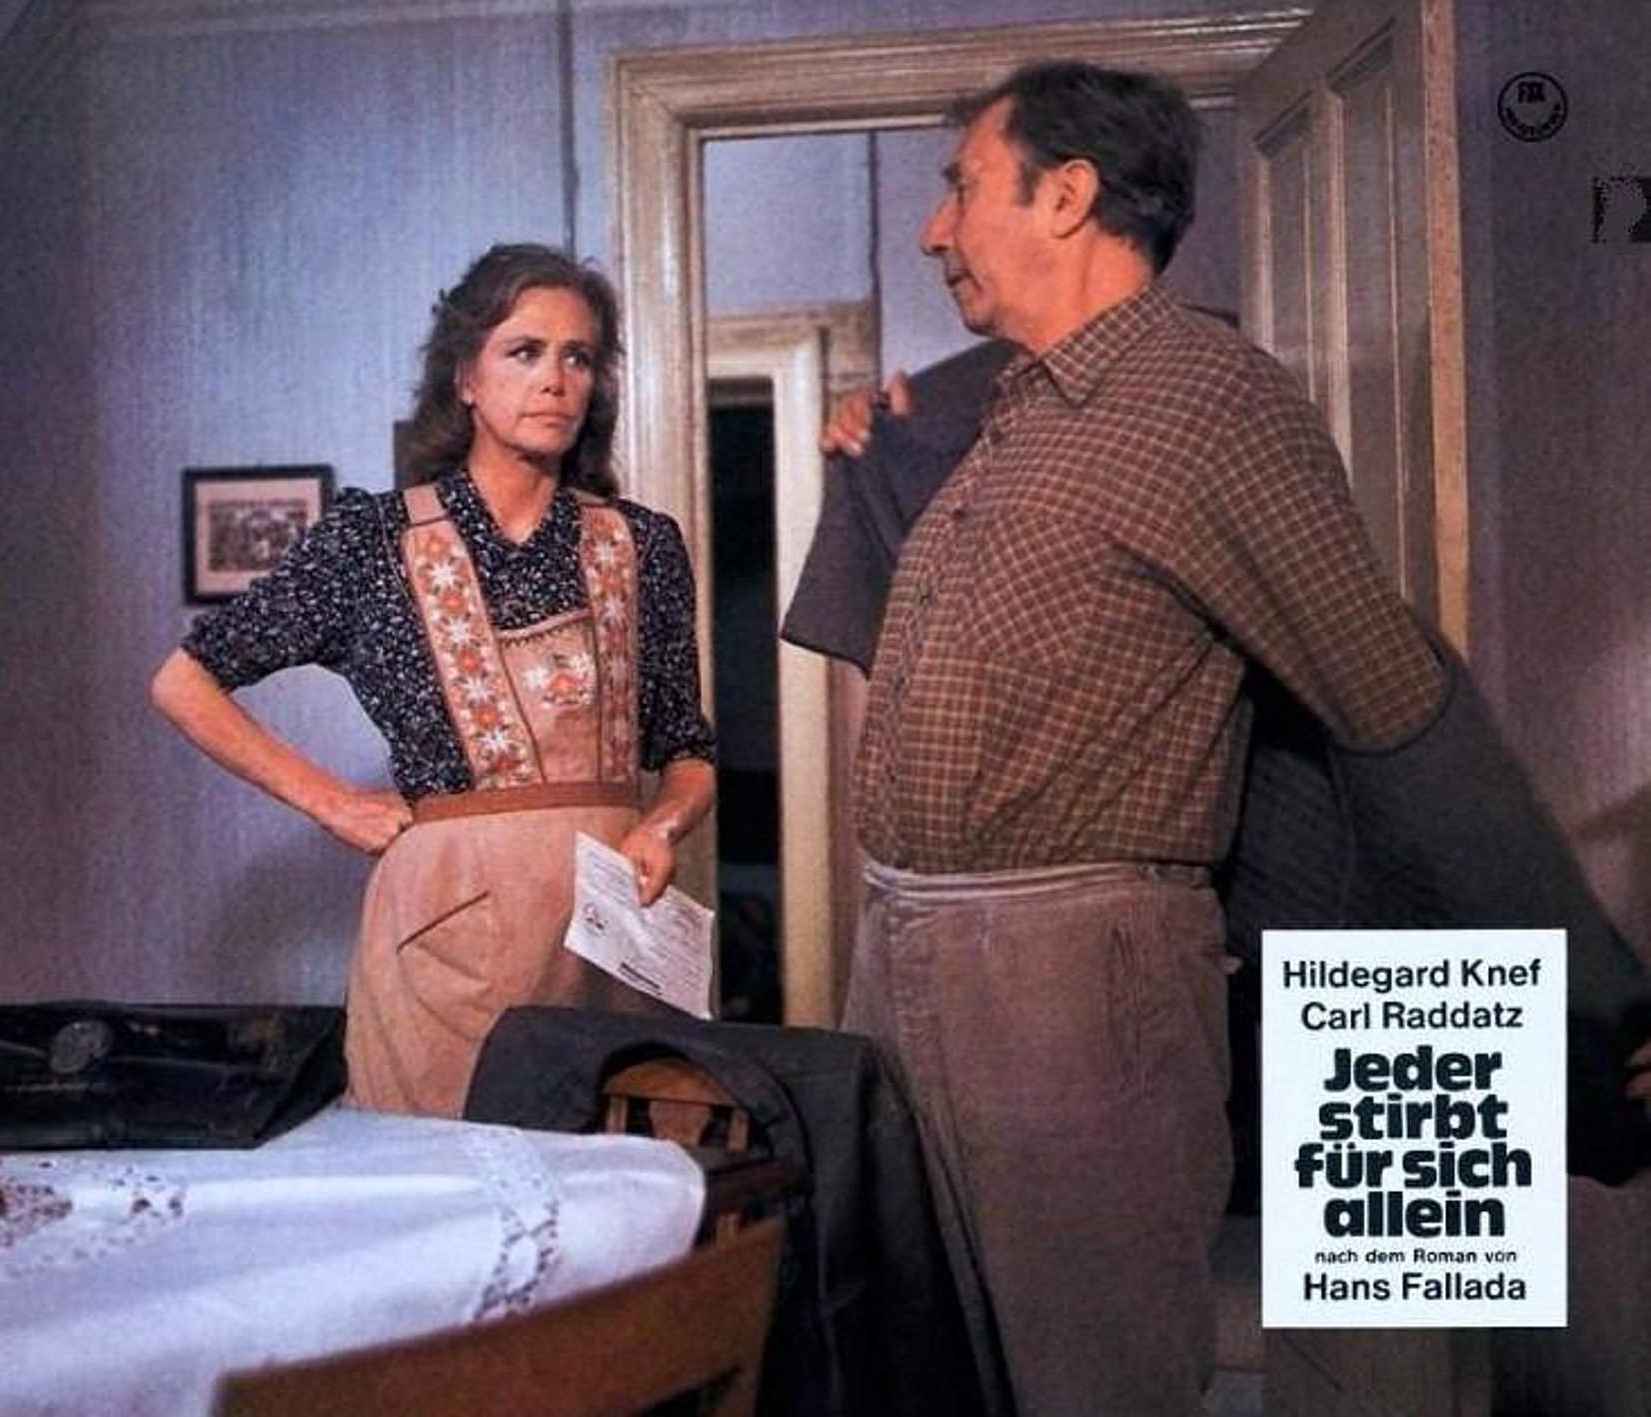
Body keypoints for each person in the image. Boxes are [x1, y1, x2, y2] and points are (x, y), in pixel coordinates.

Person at [830, 60, 1465, 1416]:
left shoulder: (1211, 398)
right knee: (920, 1366)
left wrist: (1586, 994)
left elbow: (1387, 697)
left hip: (1071, 971)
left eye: (959, 190)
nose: (934, 230)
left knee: (1092, 1373)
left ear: (1065, 196)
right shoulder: (1010, 414)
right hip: (903, 946)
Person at [151, 243, 716, 1116]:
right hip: (448, 926)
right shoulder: (371, 542)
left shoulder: (643, 543)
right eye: (524, 352)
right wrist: (333, 803)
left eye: (578, 357)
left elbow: (687, 750)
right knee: (450, 1160)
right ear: (465, 378)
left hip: (610, 926)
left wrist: (663, 824)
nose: (555, 379)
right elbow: (184, 681)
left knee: (611, 1166)